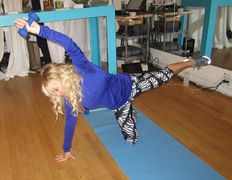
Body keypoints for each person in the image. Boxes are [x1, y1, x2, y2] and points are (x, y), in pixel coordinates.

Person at [15, 18, 211, 162]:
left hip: (131, 84)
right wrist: (66, 149)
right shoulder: (69, 99)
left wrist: (40, 30)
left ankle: (191, 62)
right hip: (119, 106)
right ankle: (130, 111)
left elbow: (69, 43)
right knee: (131, 140)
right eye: (52, 94)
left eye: (55, 89)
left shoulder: (83, 69)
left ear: (62, 78)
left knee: (164, 75)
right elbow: (70, 123)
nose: (57, 95)